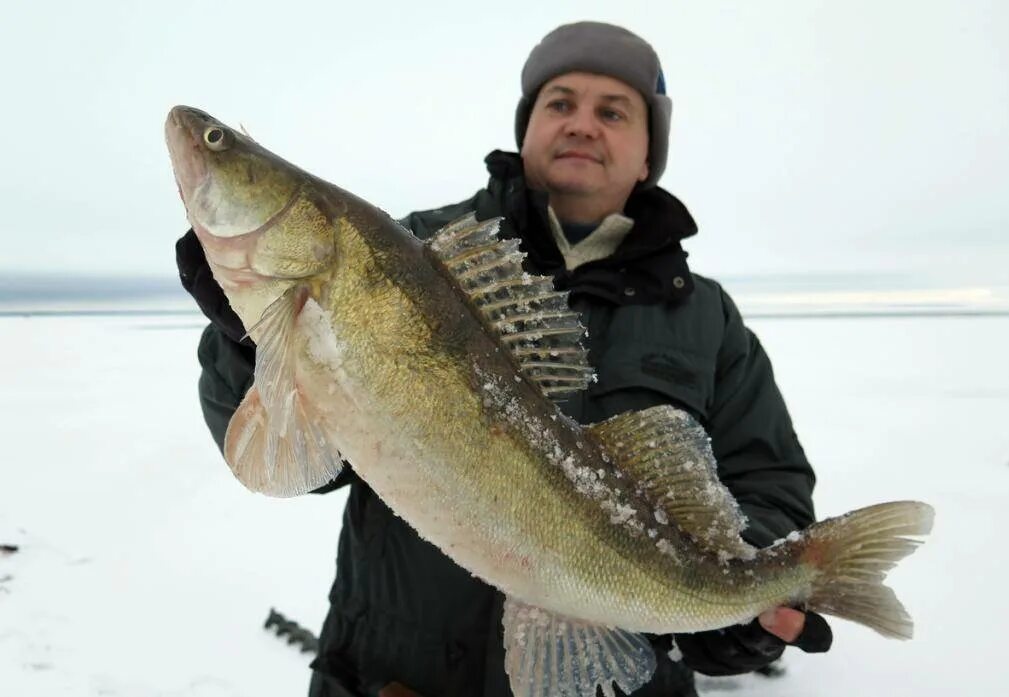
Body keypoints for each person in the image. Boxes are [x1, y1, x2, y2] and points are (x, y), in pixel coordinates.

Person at [175, 20, 832, 697]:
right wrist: (247, 344)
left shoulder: (704, 316)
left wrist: (735, 601)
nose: (582, 123)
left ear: (647, 155)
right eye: (560, 102)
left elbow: (770, 477)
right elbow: (301, 462)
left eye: (613, 111)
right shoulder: (420, 252)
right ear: (527, 126)